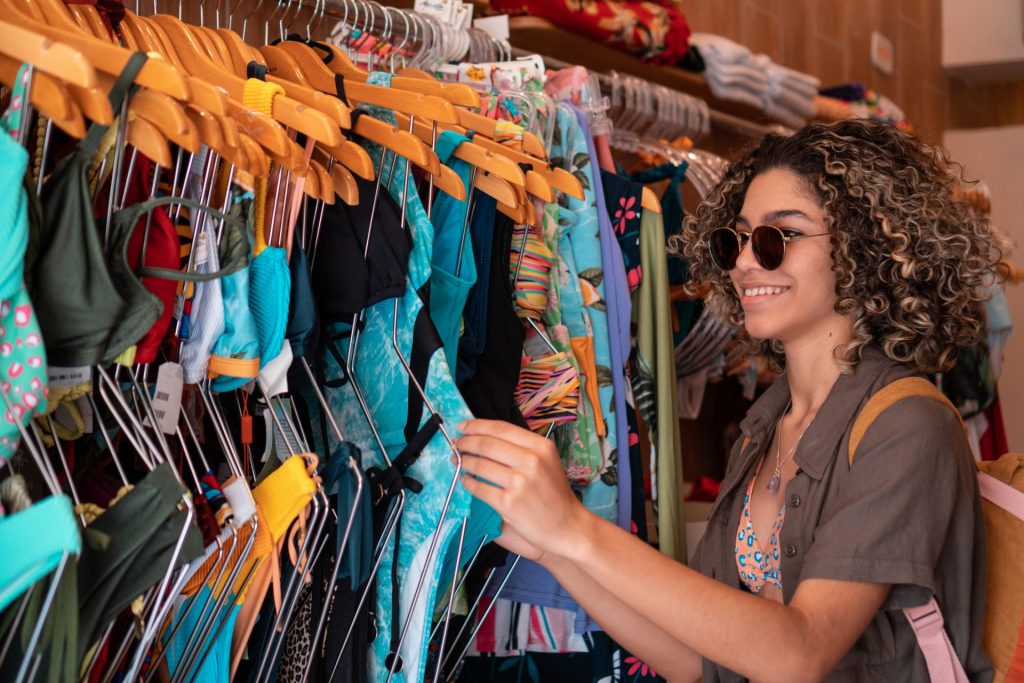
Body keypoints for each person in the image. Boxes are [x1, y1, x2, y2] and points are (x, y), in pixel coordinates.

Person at [456, 119, 997, 682]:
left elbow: (799, 653)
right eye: (735, 239)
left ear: (866, 249)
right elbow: (702, 663)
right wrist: (551, 549)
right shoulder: (768, 426)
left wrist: (573, 526)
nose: (742, 262)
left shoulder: (910, 425)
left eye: (776, 238)